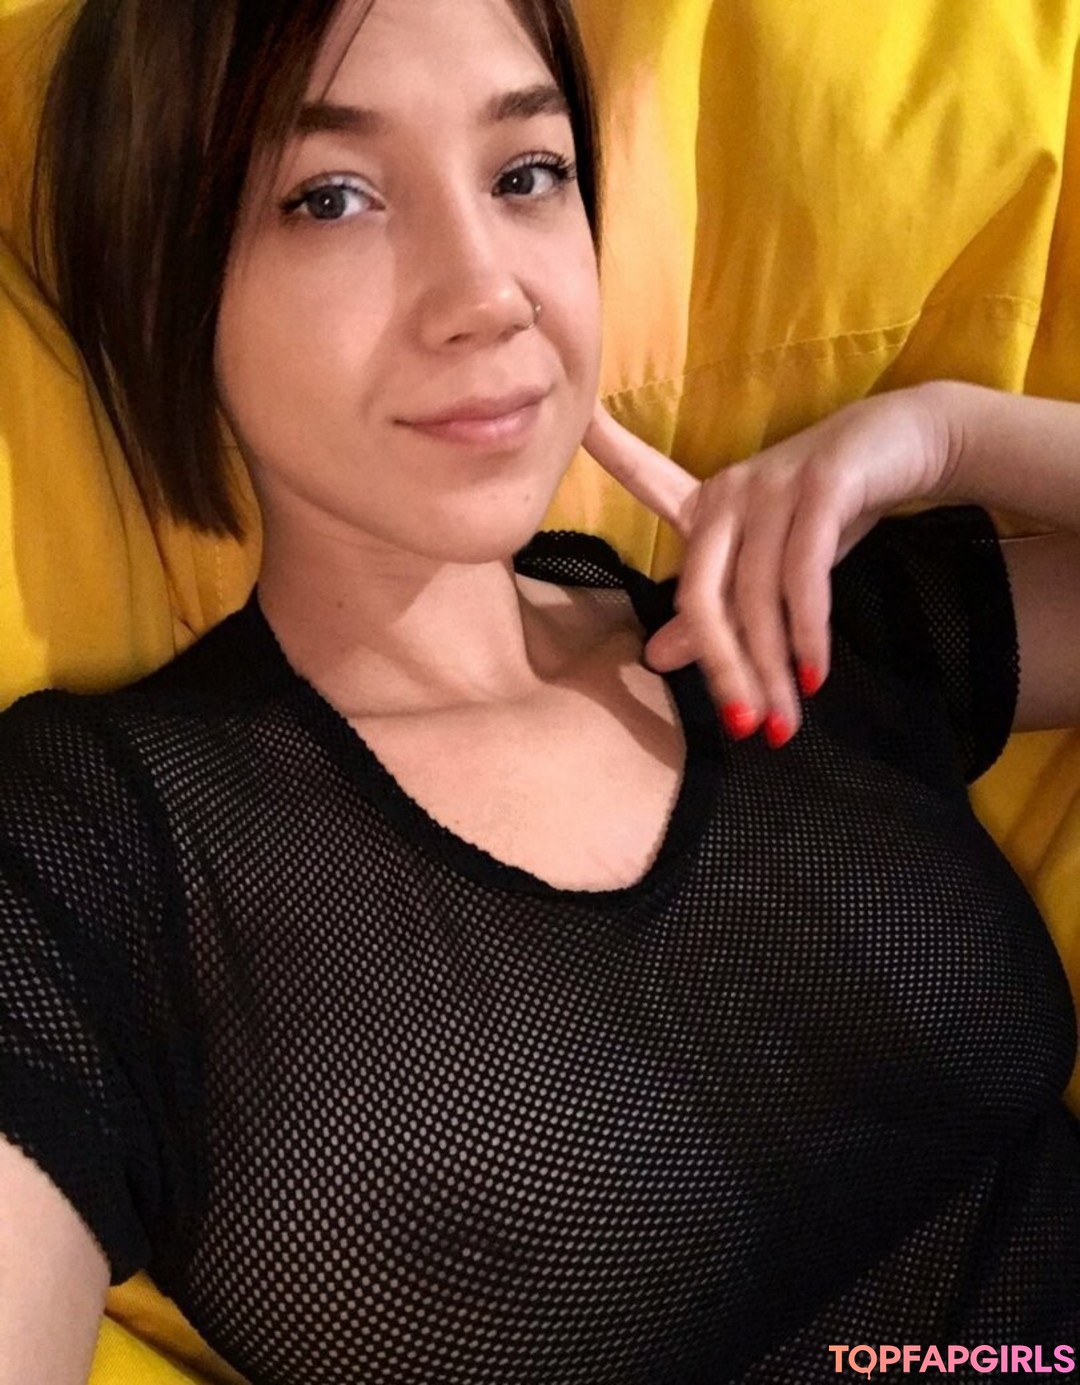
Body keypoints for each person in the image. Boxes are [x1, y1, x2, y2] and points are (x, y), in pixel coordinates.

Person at [2, 0, 1080, 1381]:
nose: (487, 293)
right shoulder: (97, 857)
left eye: (526, 174)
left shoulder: (772, 619)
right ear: (167, 272)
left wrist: (941, 437)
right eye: (331, 197)